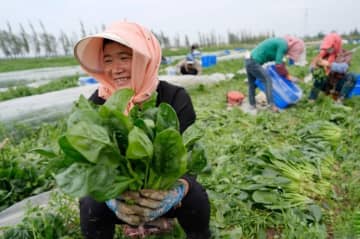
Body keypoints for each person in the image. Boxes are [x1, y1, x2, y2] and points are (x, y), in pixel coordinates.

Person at [73, 21, 210, 239]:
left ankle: (172, 225)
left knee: (195, 196)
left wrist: (177, 190)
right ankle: (138, 223)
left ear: (145, 58)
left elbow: (187, 158)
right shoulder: (98, 102)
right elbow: (90, 163)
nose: (115, 68)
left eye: (124, 57)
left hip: (163, 194)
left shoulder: (174, 97)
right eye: (107, 60)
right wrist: (111, 194)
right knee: (90, 201)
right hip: (119, 197)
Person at [245, 35, 305, 112]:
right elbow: (279, 65)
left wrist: (285, 72)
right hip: (254, 62)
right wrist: (287, 75)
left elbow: (280, 62)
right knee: (267, 80)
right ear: (294, 48)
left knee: (252, 84)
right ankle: (271, 105)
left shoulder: (281, 42)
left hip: (248, 59)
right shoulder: (283, 45)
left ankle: (252, 105)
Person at [308, 32, 346, 102]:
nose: (328, 50)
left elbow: (343, 68)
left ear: (336, 45)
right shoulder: (323, 54)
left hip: (336, 83)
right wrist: (314, 68)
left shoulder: (343, 54)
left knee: (351, 76)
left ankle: (339, 99)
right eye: (327, 48)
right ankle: (312, 99)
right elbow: (310, 68)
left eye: (330, 47)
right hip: (327, 83)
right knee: (320, 78)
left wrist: (329, 64)